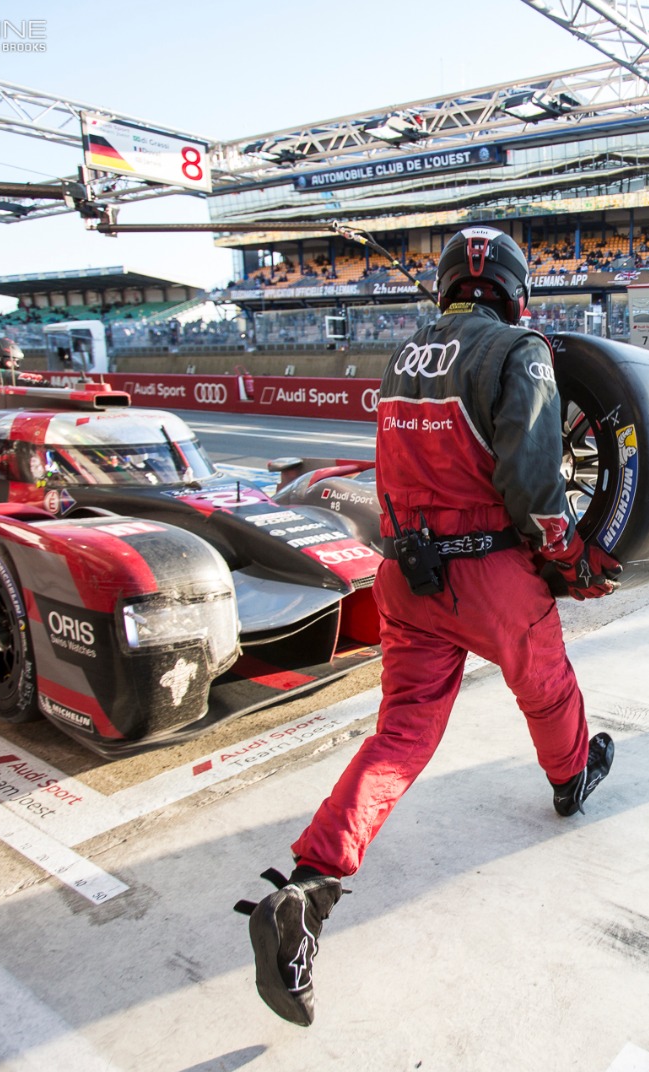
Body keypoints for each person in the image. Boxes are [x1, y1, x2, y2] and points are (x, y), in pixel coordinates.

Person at [241, 225, 621, 1027]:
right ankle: (569, 781)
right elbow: (532, 477)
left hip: (406, 577)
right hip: (490, 573)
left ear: (444, 288)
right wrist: (570, 555)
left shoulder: (403, 355)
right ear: (515, 290)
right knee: (547, 690)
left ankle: (310, 887)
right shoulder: (521, 351)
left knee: (402, 736)